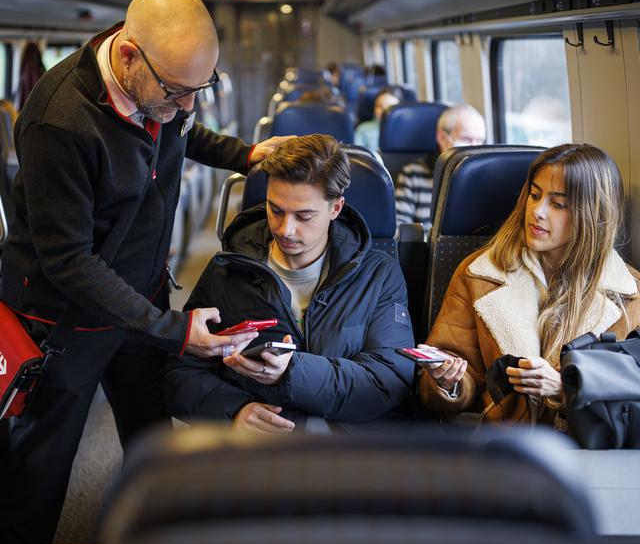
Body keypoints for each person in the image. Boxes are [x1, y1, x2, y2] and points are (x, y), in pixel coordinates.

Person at [0, 0, 290, 544]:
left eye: (198, 90)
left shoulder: (160, 80)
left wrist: (246, 155)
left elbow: (180, 129)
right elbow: (69, 262)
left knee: (156, 442)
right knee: (38, 475)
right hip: (65, 321)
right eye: (178, 91)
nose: (187, 105)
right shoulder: (59, 122)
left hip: (143, 299)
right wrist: (173, 329)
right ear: (128, 56)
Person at [163, 134, 415, 434]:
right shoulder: (230, 270)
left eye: (304, 216)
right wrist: (235, 411)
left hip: (346, 450)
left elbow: (388, 381)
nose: (286, 230)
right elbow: (181, 375)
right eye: (276, 210)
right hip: (259, 453)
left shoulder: (379, 275)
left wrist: (292, 372)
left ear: (335, 208)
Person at [418, 143, 640, 426]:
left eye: (558, 204)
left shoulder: (629, 296)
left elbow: (629, 388)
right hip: (508, 447)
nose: (537, 211)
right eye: (535, 196)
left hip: (589, 451)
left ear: (592, 215)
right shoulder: (479, 275)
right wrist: (448, 382)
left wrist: (565, 388)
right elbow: (455, 371)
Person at [395, 103, 486, 226]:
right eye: (466, 139)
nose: (475, 147)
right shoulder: (412, 174)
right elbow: (400, 228)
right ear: (442, 138)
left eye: (480, 140)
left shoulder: (487, 178)